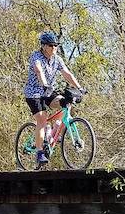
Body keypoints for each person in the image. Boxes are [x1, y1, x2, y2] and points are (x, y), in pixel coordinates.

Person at [23, 31, 83, 166]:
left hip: (48, 91)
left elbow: (67, 73)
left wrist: (79, 87)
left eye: (56, 45)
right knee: (42, 120)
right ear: (43, 46)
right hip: (34, 93)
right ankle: (39, 152)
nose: (54, 48)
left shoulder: (57, 59)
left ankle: (53, 131)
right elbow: (38, 71)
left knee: (66, 103)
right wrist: (44, 84)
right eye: (51, 45)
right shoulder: (36, 56)